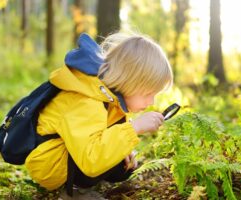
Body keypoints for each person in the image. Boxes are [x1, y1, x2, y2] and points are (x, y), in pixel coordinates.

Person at [25, 32, 173, 199]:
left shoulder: (110, 98)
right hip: (50, 165)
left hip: (75, 153)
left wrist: (122, 150)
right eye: (148, 93)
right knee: (104, 160)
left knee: (122, 166)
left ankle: (81, 184)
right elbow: (91, 158)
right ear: (129, 81)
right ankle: (72, 192)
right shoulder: (85, 99)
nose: (151, 101)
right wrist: (134, 128)